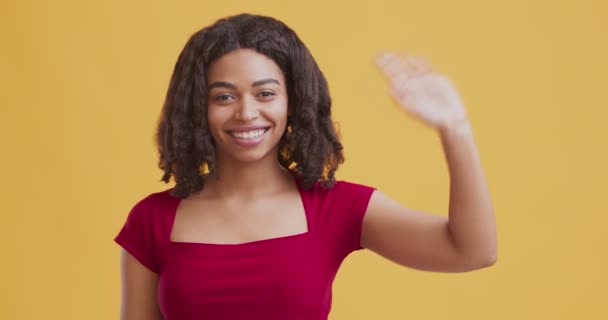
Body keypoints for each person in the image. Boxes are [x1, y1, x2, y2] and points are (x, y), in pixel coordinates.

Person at [114, 13, 497, 320]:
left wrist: (455, 128)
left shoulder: (336, 207)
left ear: (293, 101)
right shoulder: (152, 220)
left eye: (265, 93)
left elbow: (472, 251)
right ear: (198, 105)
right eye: (224, 96)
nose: (247, 113)